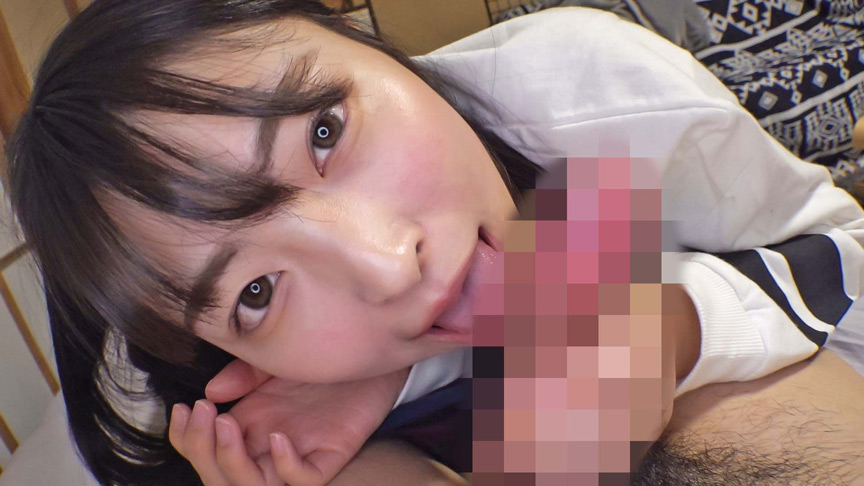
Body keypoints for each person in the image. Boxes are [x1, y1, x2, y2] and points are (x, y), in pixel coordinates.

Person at [4, 1, 864, 485]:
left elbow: (845, 261)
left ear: (355, 36)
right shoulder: (177, 399)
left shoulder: (589, 103)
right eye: (256, 294)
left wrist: (673, 326)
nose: (387, 265)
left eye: (326, 133)